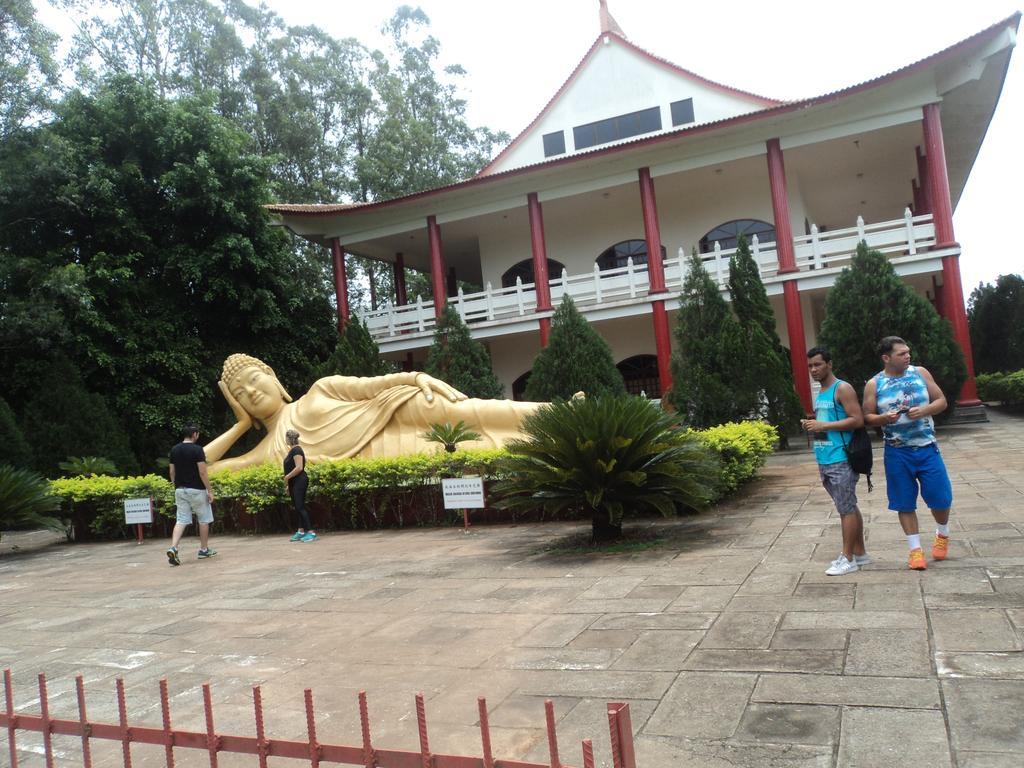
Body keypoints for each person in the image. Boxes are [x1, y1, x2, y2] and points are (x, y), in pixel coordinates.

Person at [204, 354, 544, 472]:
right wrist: (242, 426)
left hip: (397, 408)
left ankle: (557, 413)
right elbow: (201, 469)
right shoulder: (264, 451)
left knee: (474, 413)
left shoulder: (321, 389)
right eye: (240, 394)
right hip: (386, 450)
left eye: (253, 379)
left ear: (272, 377)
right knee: (482, 447)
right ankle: (558, 441)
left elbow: (372, 386)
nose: (251, 391)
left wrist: (416, 377)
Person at [862, 336, 953, 571]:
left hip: (927, 447)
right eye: (901, 353)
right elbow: (867, 416)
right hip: (897, 451)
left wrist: (924, 410)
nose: (907, 356)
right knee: (904, 502)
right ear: (886, 358)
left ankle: (942, 533)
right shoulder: (874, 384)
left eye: (908, 352)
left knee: (941, 498)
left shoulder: (920, 372)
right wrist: (884, 418)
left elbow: (941, 401)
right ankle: (915, 551)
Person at [801, 347, 870, 576]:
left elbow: (857, 419)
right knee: (848, 506)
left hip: (841, 457)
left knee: (845, 509)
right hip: (825, 457)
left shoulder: (842, 388)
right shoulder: (821, 391)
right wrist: (814, 425)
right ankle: (860, 553)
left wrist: (824, 426)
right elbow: (828, 422)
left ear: (829, 364)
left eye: (818, 365)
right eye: (810, 366)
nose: (813, 369)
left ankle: (847, 558)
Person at [167, 425, 217, 565]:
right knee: (204, 519)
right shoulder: (197, 449)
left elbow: (172, 472)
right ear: (194, 434)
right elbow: (202, 472)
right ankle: (203, 549)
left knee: (181, 519)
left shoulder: (174, 449)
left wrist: (175, 485)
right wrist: (210, 490)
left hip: (180, 490)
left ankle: (173, 547)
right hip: (197, 490)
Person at [283, 429, 315, 542]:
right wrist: (288, 485)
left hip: (300, 481)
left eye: (286, 437)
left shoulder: (296, 450)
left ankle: (311, 532)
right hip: (294, 482)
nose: (285, 439)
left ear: (289, 439)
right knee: (297, 507)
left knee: (300, 506)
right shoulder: (292, 450)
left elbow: (299, 467)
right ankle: (301, 531)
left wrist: (287, 477)